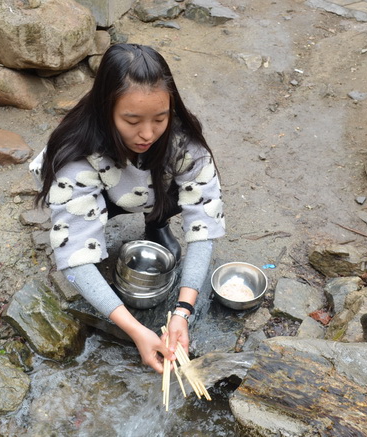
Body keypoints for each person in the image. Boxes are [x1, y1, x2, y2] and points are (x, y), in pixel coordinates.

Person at [30, 43, 225, 373]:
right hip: (104, 189)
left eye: (159, 118)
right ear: (106, 110)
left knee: (174, 188)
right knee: (82, 241)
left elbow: (204, 220)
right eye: (131, 120)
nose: (147, 133)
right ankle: (97, 219)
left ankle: (156, 222)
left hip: (143, 185)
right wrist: (136, 330)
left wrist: (182, 311)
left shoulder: (180, 137)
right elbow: (74, 259)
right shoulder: (75, 153)